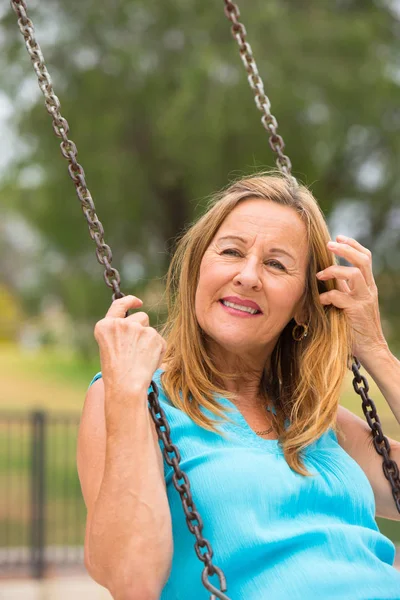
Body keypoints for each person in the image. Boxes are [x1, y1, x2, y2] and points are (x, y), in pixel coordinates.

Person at [77, 172, 400, 600]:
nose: (248, 276)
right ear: (197, 270)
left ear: (305, 306)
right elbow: (132, 580)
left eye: (276, 264)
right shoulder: (131, 398)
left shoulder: (314, 421)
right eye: (232, 252)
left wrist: (375, 349)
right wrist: (126, 392)